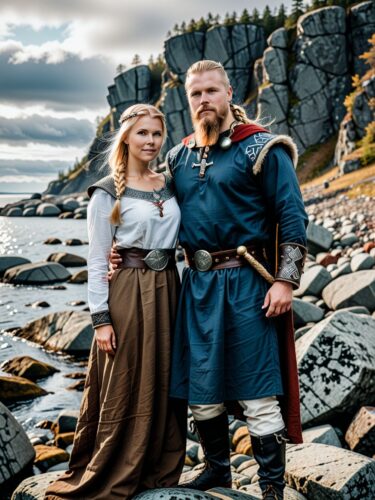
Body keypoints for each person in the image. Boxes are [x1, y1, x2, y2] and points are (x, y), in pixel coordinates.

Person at [164, 60, 309, 500]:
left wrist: (285, 281)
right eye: (196, 93)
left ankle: (270, 489)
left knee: (258, 392)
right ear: (188, 100)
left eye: (212, 90)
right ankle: (218, 471)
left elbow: (292, 215)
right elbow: (159, 220)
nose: (204, 99)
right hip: (199, 287)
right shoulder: (178, 157)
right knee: (201, 391)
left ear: (229, 92)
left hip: (249, 285)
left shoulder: (263, 148)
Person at [45, 104, 186, 500]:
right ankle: (117, 466)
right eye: (143, 133)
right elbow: (95, 259)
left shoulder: (171, 183)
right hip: (128, 292)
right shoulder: (107, 192)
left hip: (169, 289)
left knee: (164, 375)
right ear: (126, 137)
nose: (151, 141)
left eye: (157, 134)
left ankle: (158, 463)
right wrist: (101, 319)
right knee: (126, 377)